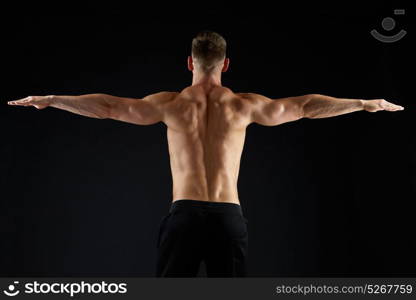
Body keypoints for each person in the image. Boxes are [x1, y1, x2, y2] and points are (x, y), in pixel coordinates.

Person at [7, 30, 404, 277]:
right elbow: (303, 106)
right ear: (226, 64)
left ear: (189, 63)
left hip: (183, 217)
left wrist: (52, 99)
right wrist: (364, 103)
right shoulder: (245, 106)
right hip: (228, 217)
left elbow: (110, 106)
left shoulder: (171, 105)